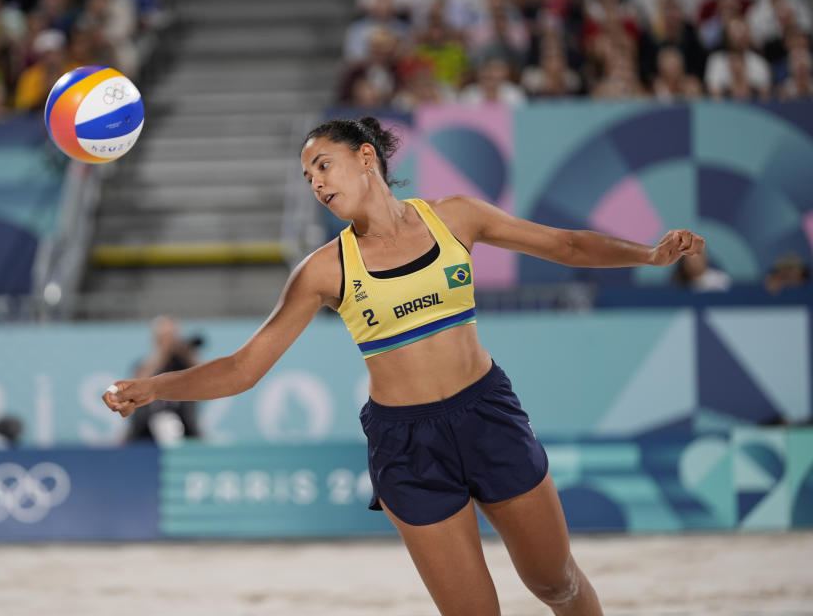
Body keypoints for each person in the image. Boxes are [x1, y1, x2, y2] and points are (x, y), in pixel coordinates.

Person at [103, 117, 705, 615]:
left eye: (322, 164)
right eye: (306, 173)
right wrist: (154, 387)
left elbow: (566, 245)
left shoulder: (456, 217)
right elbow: (242, 369)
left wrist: (649, 254)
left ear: (366, 157)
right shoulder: (323, 270)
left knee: (557, 584)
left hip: (487, 415)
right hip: (406, 445)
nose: (314, 181)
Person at [126, 315, 203, 443]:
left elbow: (206, 377)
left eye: (172, 336)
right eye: (165, 337)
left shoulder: (184, 363)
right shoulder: (146, 364)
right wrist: (161, 353)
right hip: (145, 430)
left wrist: (187, 353)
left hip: (185, 426)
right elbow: (136, 386)